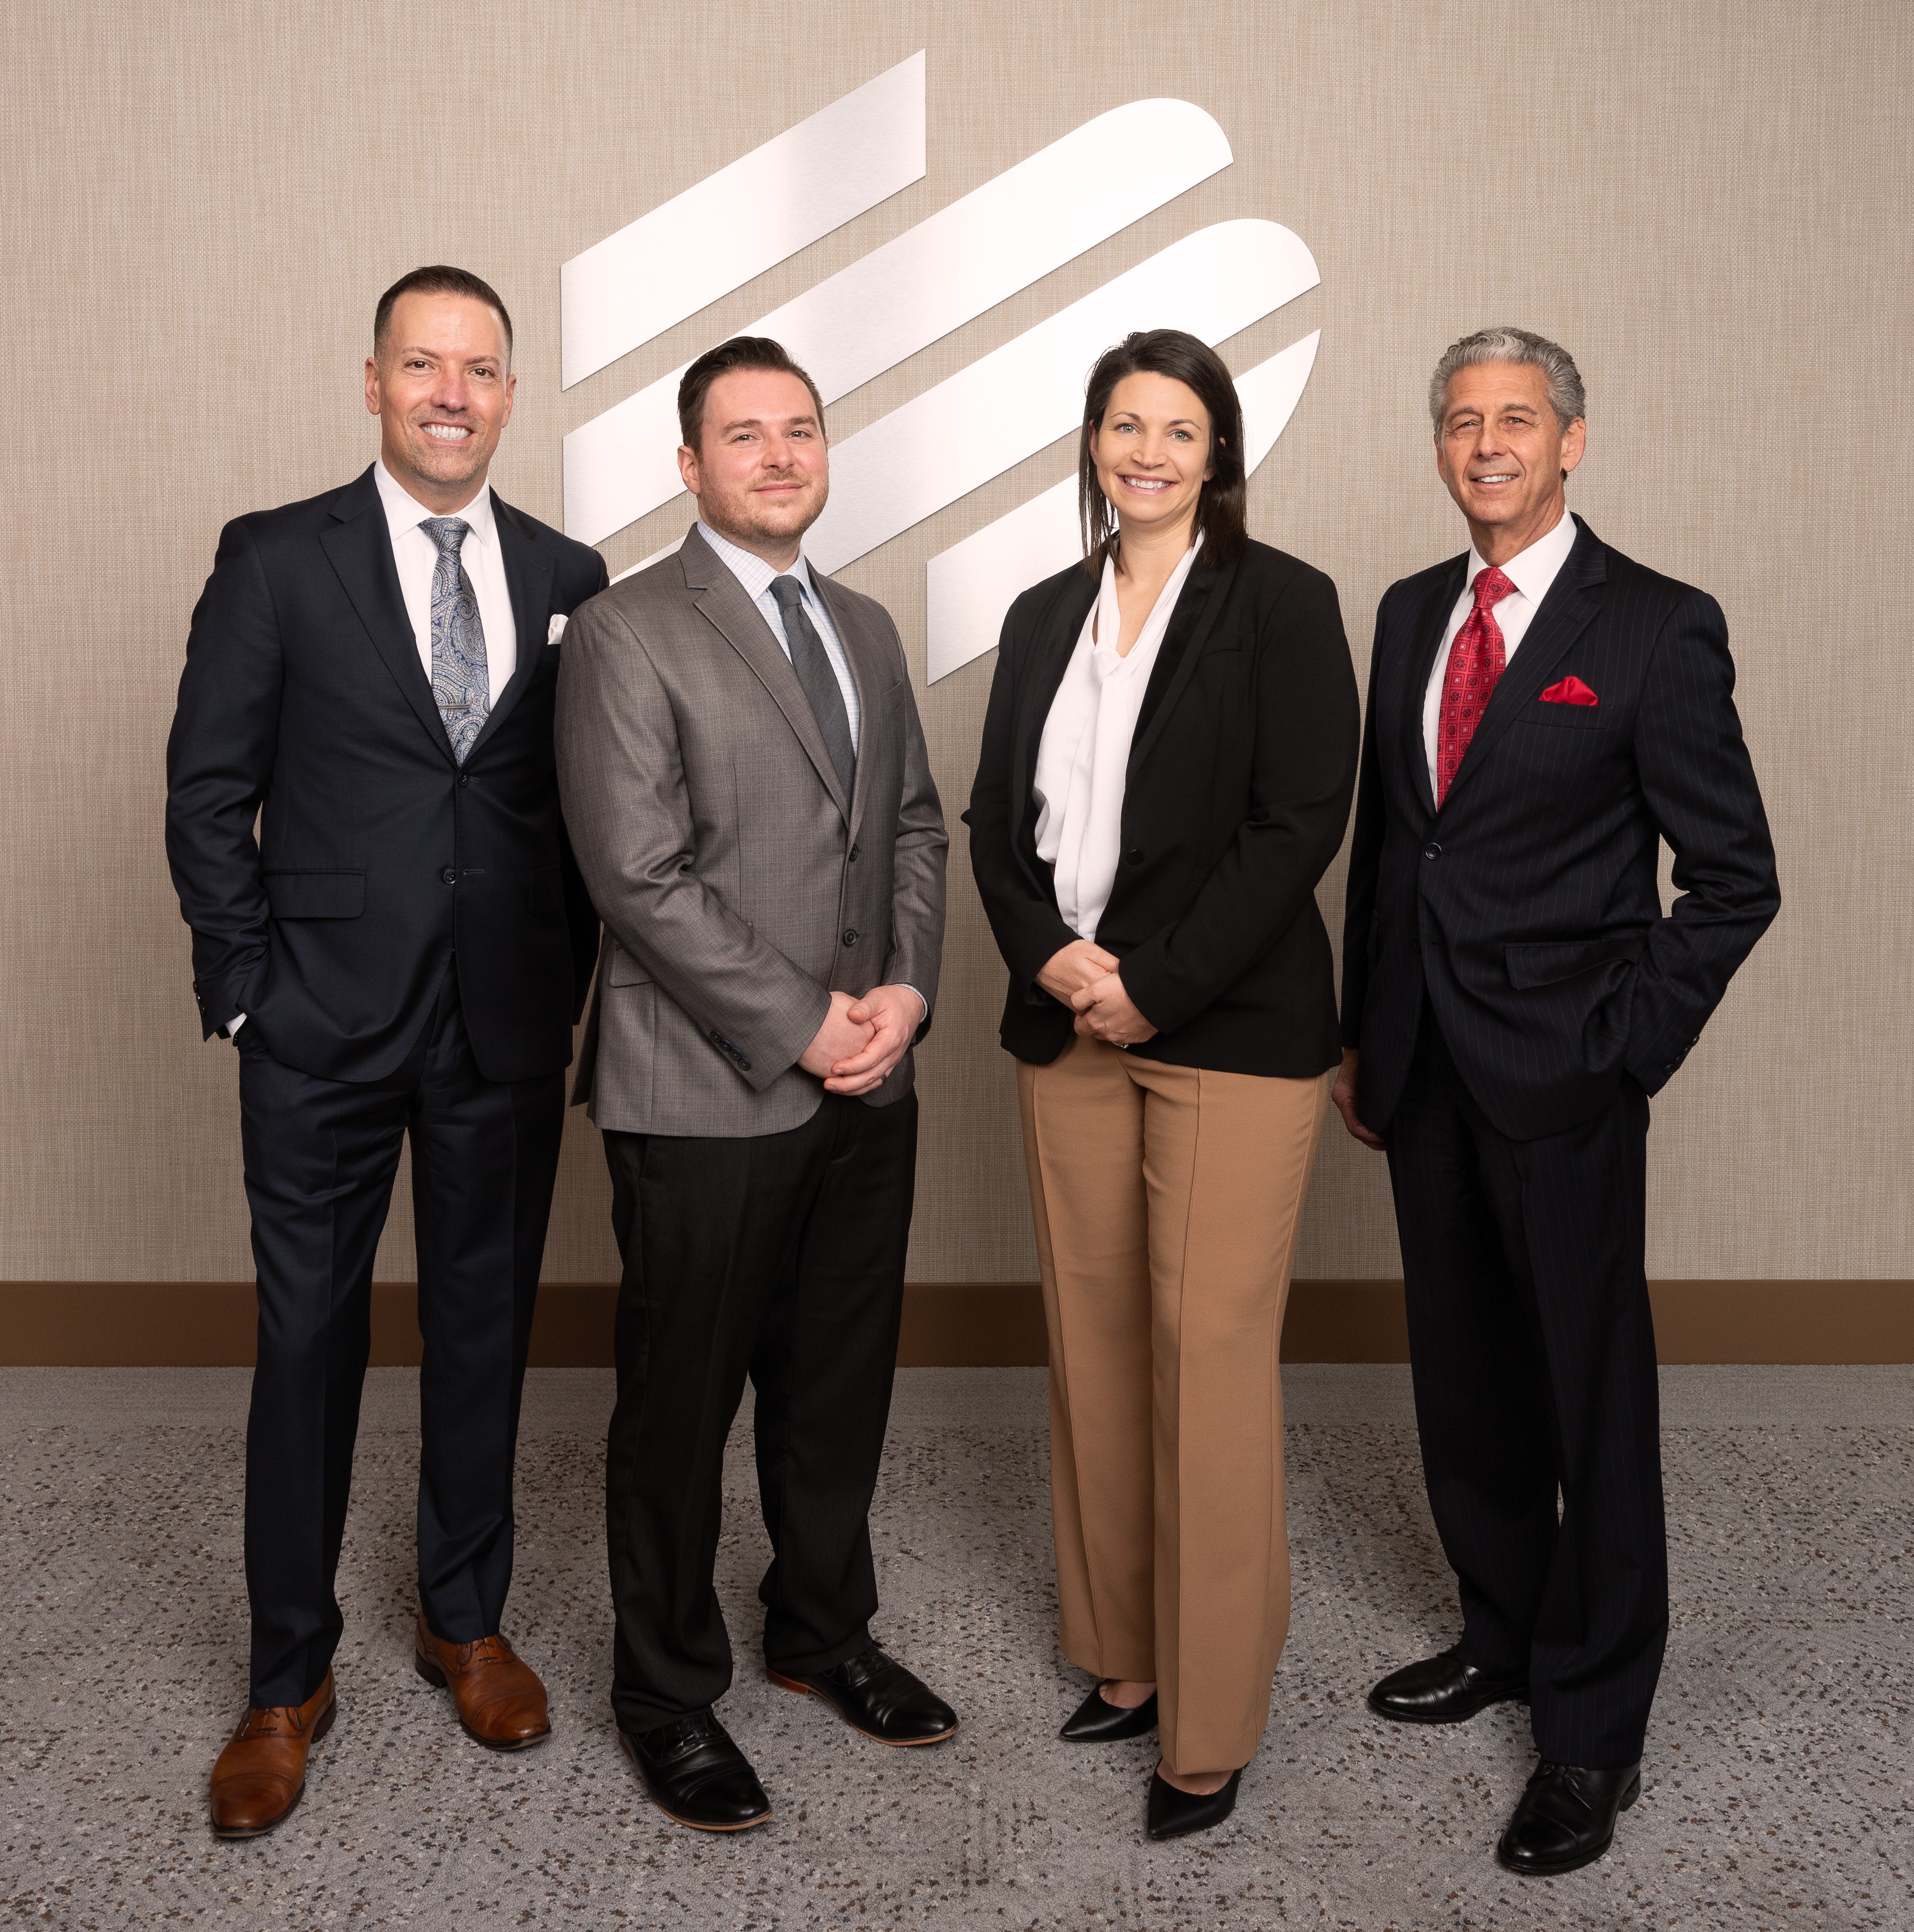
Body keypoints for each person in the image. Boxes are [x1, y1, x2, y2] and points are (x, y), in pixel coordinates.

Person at [166, 267, 610, 1837]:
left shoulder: (572, 571)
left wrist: (569, 982)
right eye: (422, 364)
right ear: (371, 382)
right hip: (318, 1029)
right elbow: (209, 787)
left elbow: (584, 809)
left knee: (484, 1330)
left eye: (479, 370)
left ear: (508, 392)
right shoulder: (278, 559)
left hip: (498, 1021)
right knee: (310, 1343)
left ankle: (462, 1620)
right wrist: (246, 992)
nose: (450, 393)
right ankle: (287, 1676)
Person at [1334, 327, 1779, 1876]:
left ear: (1574, 442)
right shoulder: (1406, 616)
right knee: (1465, 1379)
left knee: (1592, 1397)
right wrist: (1359, 1038)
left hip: (1566, 1072)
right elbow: (1395, 852)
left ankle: (1593, 1730)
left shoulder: (1653, 627)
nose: (1487, 445)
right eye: (1461, 421)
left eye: (1517, 420)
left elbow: (1734, 879)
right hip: (1422, 1069)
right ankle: (1504, 1631)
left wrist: (1623, 1043)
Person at [554, 335, 952, 1834]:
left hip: (871, 1082)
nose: (780, 455)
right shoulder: (626, 631)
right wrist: (805, 1025)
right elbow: (635, 875)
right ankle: (666, 1694)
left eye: (802, 430)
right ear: (688, 466)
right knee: (677, 1409)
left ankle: (822, 1632)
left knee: (834, 1389)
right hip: (704, 1091)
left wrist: (905, 992)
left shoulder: (862, 624)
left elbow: (911, 822)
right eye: (745, 435)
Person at [966, 328, 1359, 1841]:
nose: (1147, 452)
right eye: (1124, 425)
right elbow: (1001, 821)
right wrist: (1058, 962)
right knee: (1098, 1343)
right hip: (1069, 1023)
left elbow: (1299, 821)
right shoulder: (1043, 609)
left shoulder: (1283, 603)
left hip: (1229, 1030)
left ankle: (1207, 1728)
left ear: (1219, 456)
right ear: (1091, 444)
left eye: (1177, 430)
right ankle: (1124, 1660)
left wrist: (1155, 982)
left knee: (1206, 1361)